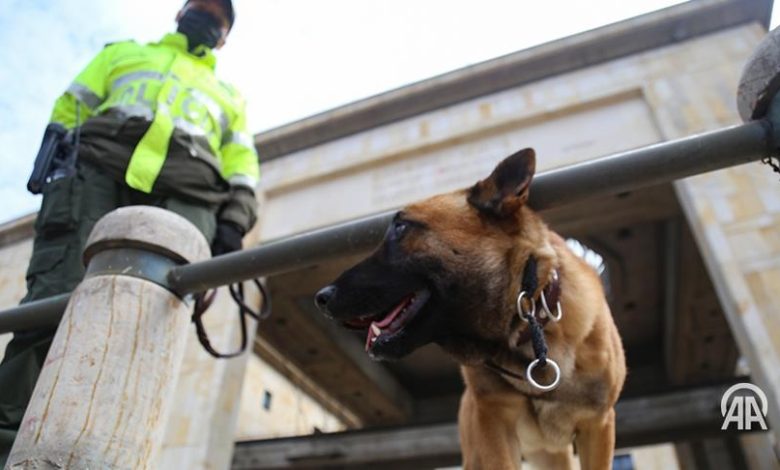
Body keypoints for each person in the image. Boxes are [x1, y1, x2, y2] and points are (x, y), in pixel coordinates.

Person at [0, 0, 259, 463]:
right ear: (179, 15)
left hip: (188, 194)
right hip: (96, 173)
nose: (205, 16)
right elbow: (71, 104)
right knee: (49, 308)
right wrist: (55, 159)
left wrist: (233, 223)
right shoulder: (122, 53)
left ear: (224, 37)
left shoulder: (230, 96)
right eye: (198, 8)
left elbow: (242, 165)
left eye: (216, 16)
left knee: (148, 334)